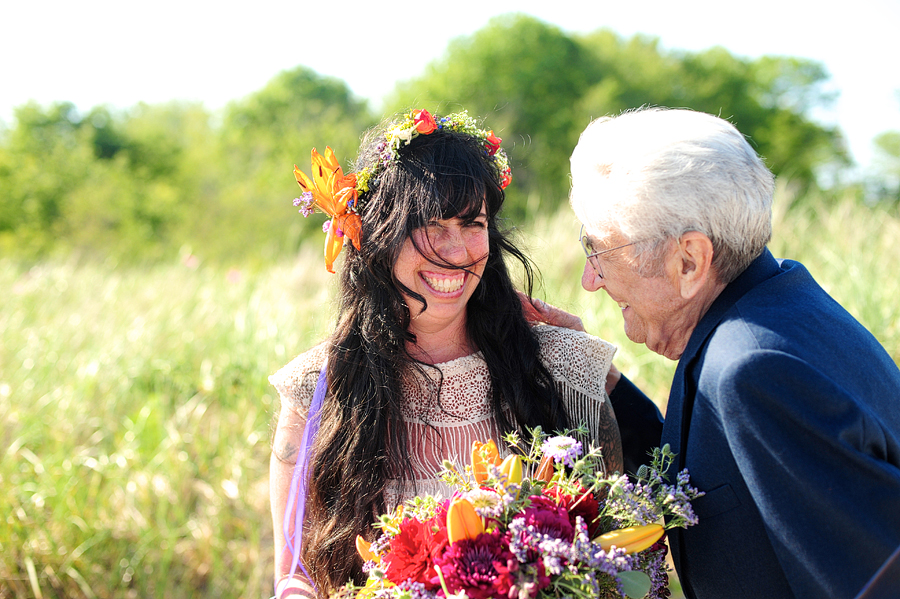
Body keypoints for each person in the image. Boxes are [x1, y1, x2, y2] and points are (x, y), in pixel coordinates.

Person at [540, 106, 900, 599]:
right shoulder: (770, 309)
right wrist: (597, 381)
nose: (589, 279)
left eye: (598, 250)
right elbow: (706, 482)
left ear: (689, 260)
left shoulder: (754, 369)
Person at [268, 109, 624, 598]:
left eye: (471, 222)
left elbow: (621, 558)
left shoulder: (565, 370)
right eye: (429, 224)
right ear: (373, 236)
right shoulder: (314, 388)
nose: (455, 250)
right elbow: (294, 579)